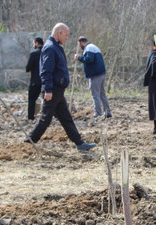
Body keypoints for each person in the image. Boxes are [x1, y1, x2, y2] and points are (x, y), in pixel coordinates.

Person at [26, 23, 96, 151]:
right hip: (52, 91)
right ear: (59, 33)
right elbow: (46, 70)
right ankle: (27, 143)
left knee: (66, 118)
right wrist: (48, 89)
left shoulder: (55, 47)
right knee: (45, 119)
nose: (67, 38)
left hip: (57, 90)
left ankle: (79, 143)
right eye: (66, 35)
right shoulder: (50, 48)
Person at [75, 36, 112, 118]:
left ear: (82, 42)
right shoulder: (93, 47)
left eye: (79, 44)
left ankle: (98, 113)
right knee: (102, 93)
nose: (79, 46)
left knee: (95, 94)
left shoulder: (89, 48)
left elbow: (89, 59)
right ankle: (107, 112)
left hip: (95, 75)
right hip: (101, 73)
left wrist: (79, 58)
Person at [25, 37, 43, 121]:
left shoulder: (34, 54)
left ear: (36, 43)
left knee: (32, 100)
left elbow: (27, 68)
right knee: (50, 101)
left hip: (35, 82)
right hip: (45, 81)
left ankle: (30, 117)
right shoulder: (47, 53)